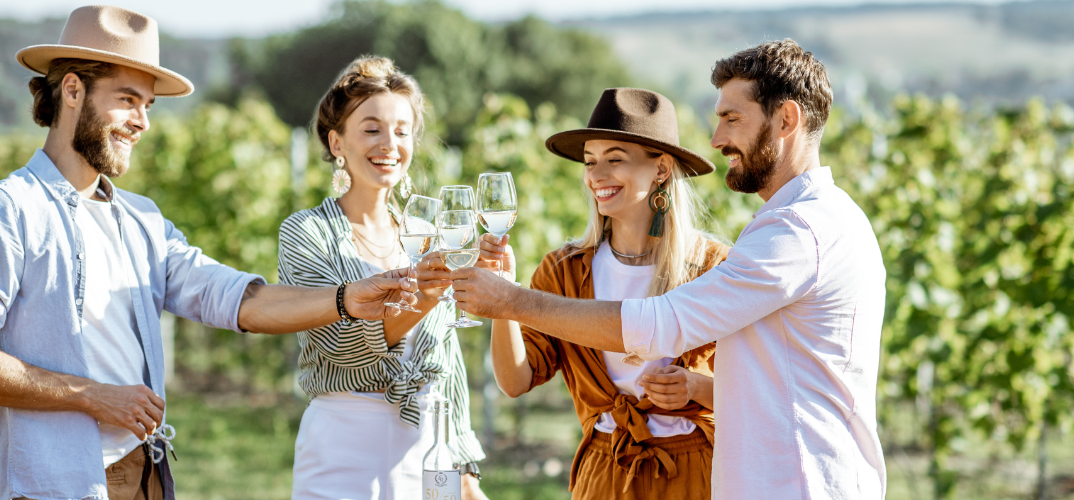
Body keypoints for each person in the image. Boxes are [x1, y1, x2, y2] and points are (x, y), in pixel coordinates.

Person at [0, 7, 418, 500]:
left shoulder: (141, 221)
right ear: (72, 90)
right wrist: (92, 396)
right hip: (56, 482)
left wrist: (347, 299)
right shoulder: (14, 210)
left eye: (149, 106)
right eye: (128, 100)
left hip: (145, 474)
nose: (142, 122)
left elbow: (234, 298)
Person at [450, 40, 887, 500]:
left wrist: (512, 300)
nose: (717, 140)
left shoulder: (795, 233)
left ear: (786, 120)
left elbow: (661, 324)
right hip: (624, 474)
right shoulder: (799, 224)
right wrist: (507, 303)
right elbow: (765, 386)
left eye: (731, 118)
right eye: (590, 162)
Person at [478, 88, 728, 499]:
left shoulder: (714, 268)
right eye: (590, 162)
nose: (596, 175)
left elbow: (758, 391)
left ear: (661, 169)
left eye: (615, 159)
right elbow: (514, 381)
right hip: (607, 470)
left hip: (697, 473)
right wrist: (503, 298)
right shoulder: (564, 271)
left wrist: (695, 388)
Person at [278, 55, 488, 500]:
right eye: (371, 129)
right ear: (337, 143)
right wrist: (425, 300)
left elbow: (447, 362)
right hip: (342, 445)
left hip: (431, 445)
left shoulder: (429, 234)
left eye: (401, 130)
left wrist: (464, 469)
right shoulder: (306, 232)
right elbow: (338, 345)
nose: (389, 143)